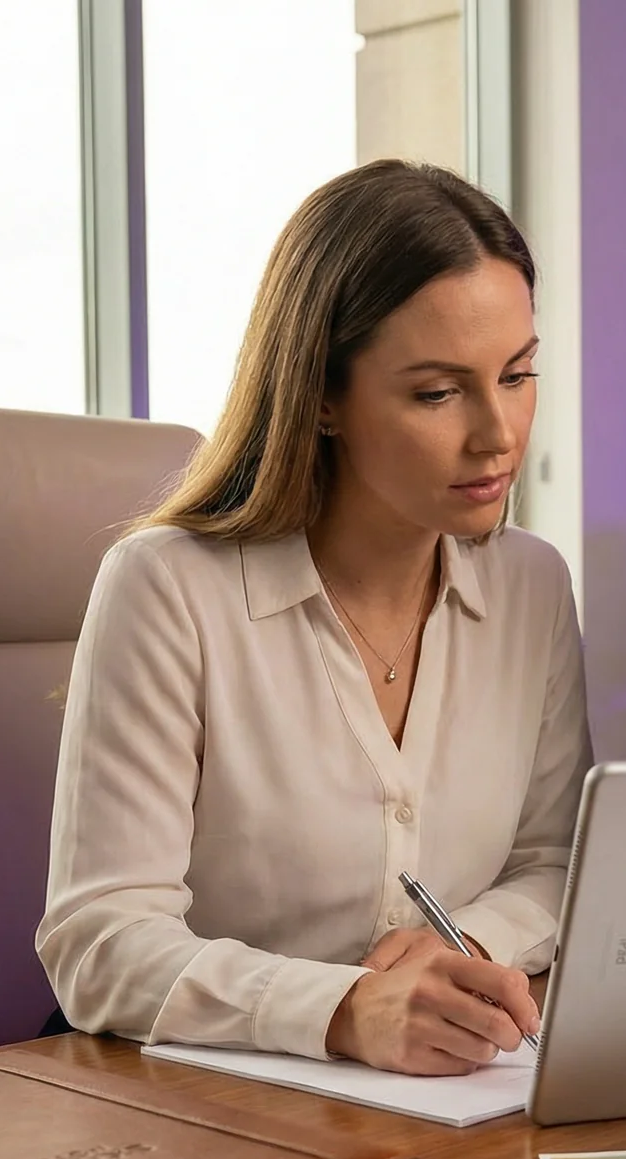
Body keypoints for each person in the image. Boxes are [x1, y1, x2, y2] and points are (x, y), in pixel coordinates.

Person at [38, 161, 591, 1076]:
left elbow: (556, 862)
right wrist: (345, 1010)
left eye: (518, 374)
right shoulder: (167, 586)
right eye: (437, 393)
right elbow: (98, 944)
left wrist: (470, 950)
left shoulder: (532, 584)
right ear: (323, 397)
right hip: (194, 1103)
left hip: (445, 1094)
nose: (499, 433)